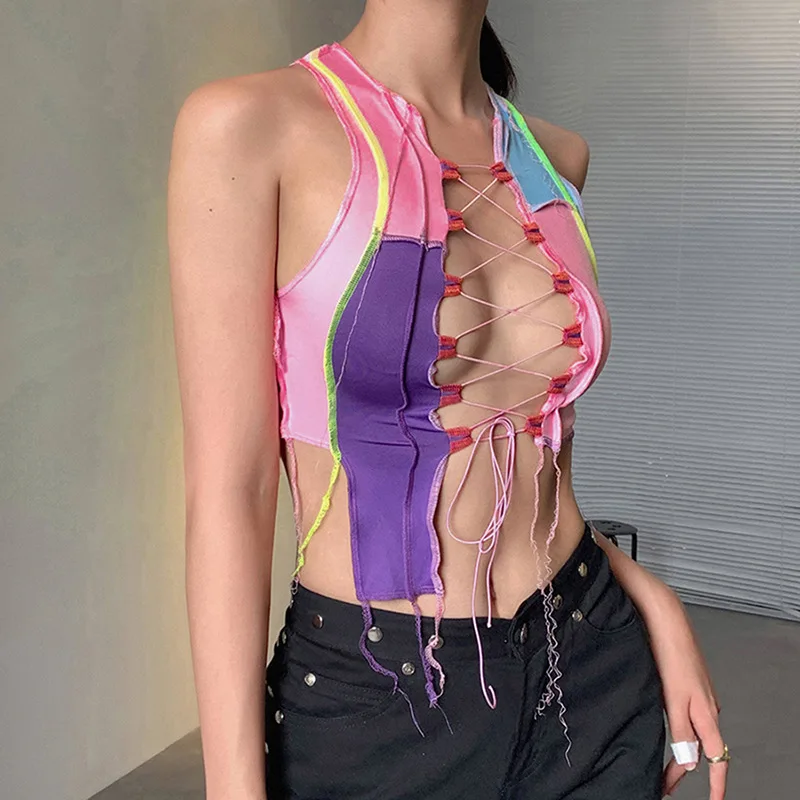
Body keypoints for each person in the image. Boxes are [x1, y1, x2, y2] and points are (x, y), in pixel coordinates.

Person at [167, 2, 729, 799]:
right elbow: (234, 489)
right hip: (379, 698)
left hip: (591, 666)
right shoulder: (249, 127)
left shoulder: (556, 157)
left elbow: (534, 452)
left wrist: (647, 596)